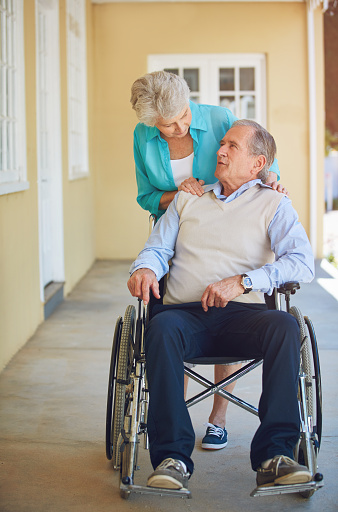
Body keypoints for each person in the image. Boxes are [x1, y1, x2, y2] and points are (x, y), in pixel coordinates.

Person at [127, 120, 315, 491]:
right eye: (221, 144)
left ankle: (274, 456)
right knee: (160, 327)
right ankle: (173, 457)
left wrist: (244, 281)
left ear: (256, 164)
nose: (220, 151)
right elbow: (157, 248)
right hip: (183, 317)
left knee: (285, 326)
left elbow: (303, 262)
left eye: (232, 146)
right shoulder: (188, 198)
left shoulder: (274, 202)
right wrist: (146, 268)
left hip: (244, 317)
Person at [130, 71, 287, 450]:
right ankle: (175, 419)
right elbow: (147, 195)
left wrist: (275, 184)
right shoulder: (142, 138)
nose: (181, 125)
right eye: (169, 125)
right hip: (181, 227)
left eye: (184, 115)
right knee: (170, 318)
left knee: (230, 296)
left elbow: (257, 163)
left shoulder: (219, 118)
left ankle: (219, 416)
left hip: (234, 230)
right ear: (151, 124)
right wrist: (180, 195)